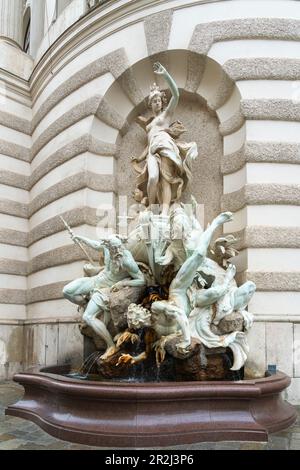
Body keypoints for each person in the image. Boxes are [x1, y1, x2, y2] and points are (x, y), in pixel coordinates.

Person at [151, 212, 233, 352]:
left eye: (180, 226)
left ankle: (215, 223)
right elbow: (164, 260)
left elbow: (201, 246)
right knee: (213, 293)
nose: (177, 229)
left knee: (200, 255)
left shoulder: (194, 238)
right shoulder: (173, 247)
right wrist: (158, 255)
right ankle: (227, 281)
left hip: (193, 279)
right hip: (186, 284)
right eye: (175, 227)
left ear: (185, 227)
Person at [62, 234, 146, 359]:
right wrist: (80, 238)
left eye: (118, 248)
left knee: (88, 316)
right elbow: (96, 245)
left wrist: (123, 283)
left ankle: (110, 345)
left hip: (106, 290)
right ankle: (85, 303)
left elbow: (142, 280)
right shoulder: (107, 248)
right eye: (114, 249)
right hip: (97, 280)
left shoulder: (126, 260)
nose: (117, 251)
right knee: (67, 291)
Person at [132, 62, 198, 216]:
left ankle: (165, 210)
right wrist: (139, 158)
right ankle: (152, 207)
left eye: (159, 101)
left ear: (162, 103)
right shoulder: (149, 126)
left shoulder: (165, 116)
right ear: (150, 104)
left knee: (166, 179)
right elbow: (149, 144)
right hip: (152, 151)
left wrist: (165, 75)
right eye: (154, 101)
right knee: (153, 178)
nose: (157, 103)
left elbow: (176, 95)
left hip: (166, 147)